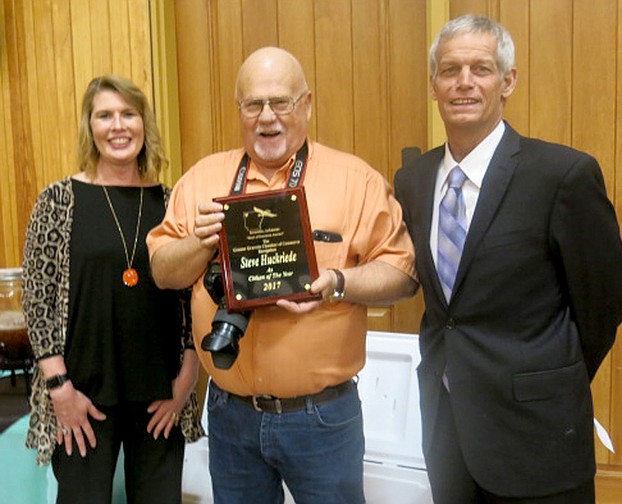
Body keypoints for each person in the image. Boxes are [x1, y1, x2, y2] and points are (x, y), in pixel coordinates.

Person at [147, 46, 418, 504]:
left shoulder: (357, 180)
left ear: (306, 104)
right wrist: (199, 244)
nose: (266, 117)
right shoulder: (201, 179)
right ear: (239, 108)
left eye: (281, 102)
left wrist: (339, 284)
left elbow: (402, 272)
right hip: (230, 416)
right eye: (253, 104)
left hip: (322, 419)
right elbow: (161, 272)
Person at [394, 14, 622, 504]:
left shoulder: (562, 176)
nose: (464, 82)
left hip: (537, 437)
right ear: (433, 85)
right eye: (450, 70)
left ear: (508, 81)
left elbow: (605, 300)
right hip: (448, 432)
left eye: (480, 69)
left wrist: (550, 376)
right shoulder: (414, 180)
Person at [22, 75, 203, 504]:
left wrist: (187, 379)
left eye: (128, 114)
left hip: (160, 395)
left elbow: (195, 297)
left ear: (145, 125)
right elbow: (38, 301)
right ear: (90, 126)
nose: (118, 126)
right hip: (81, 398)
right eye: (105, 115)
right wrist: (60, 388)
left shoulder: (173, 202)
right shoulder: (57, 201)